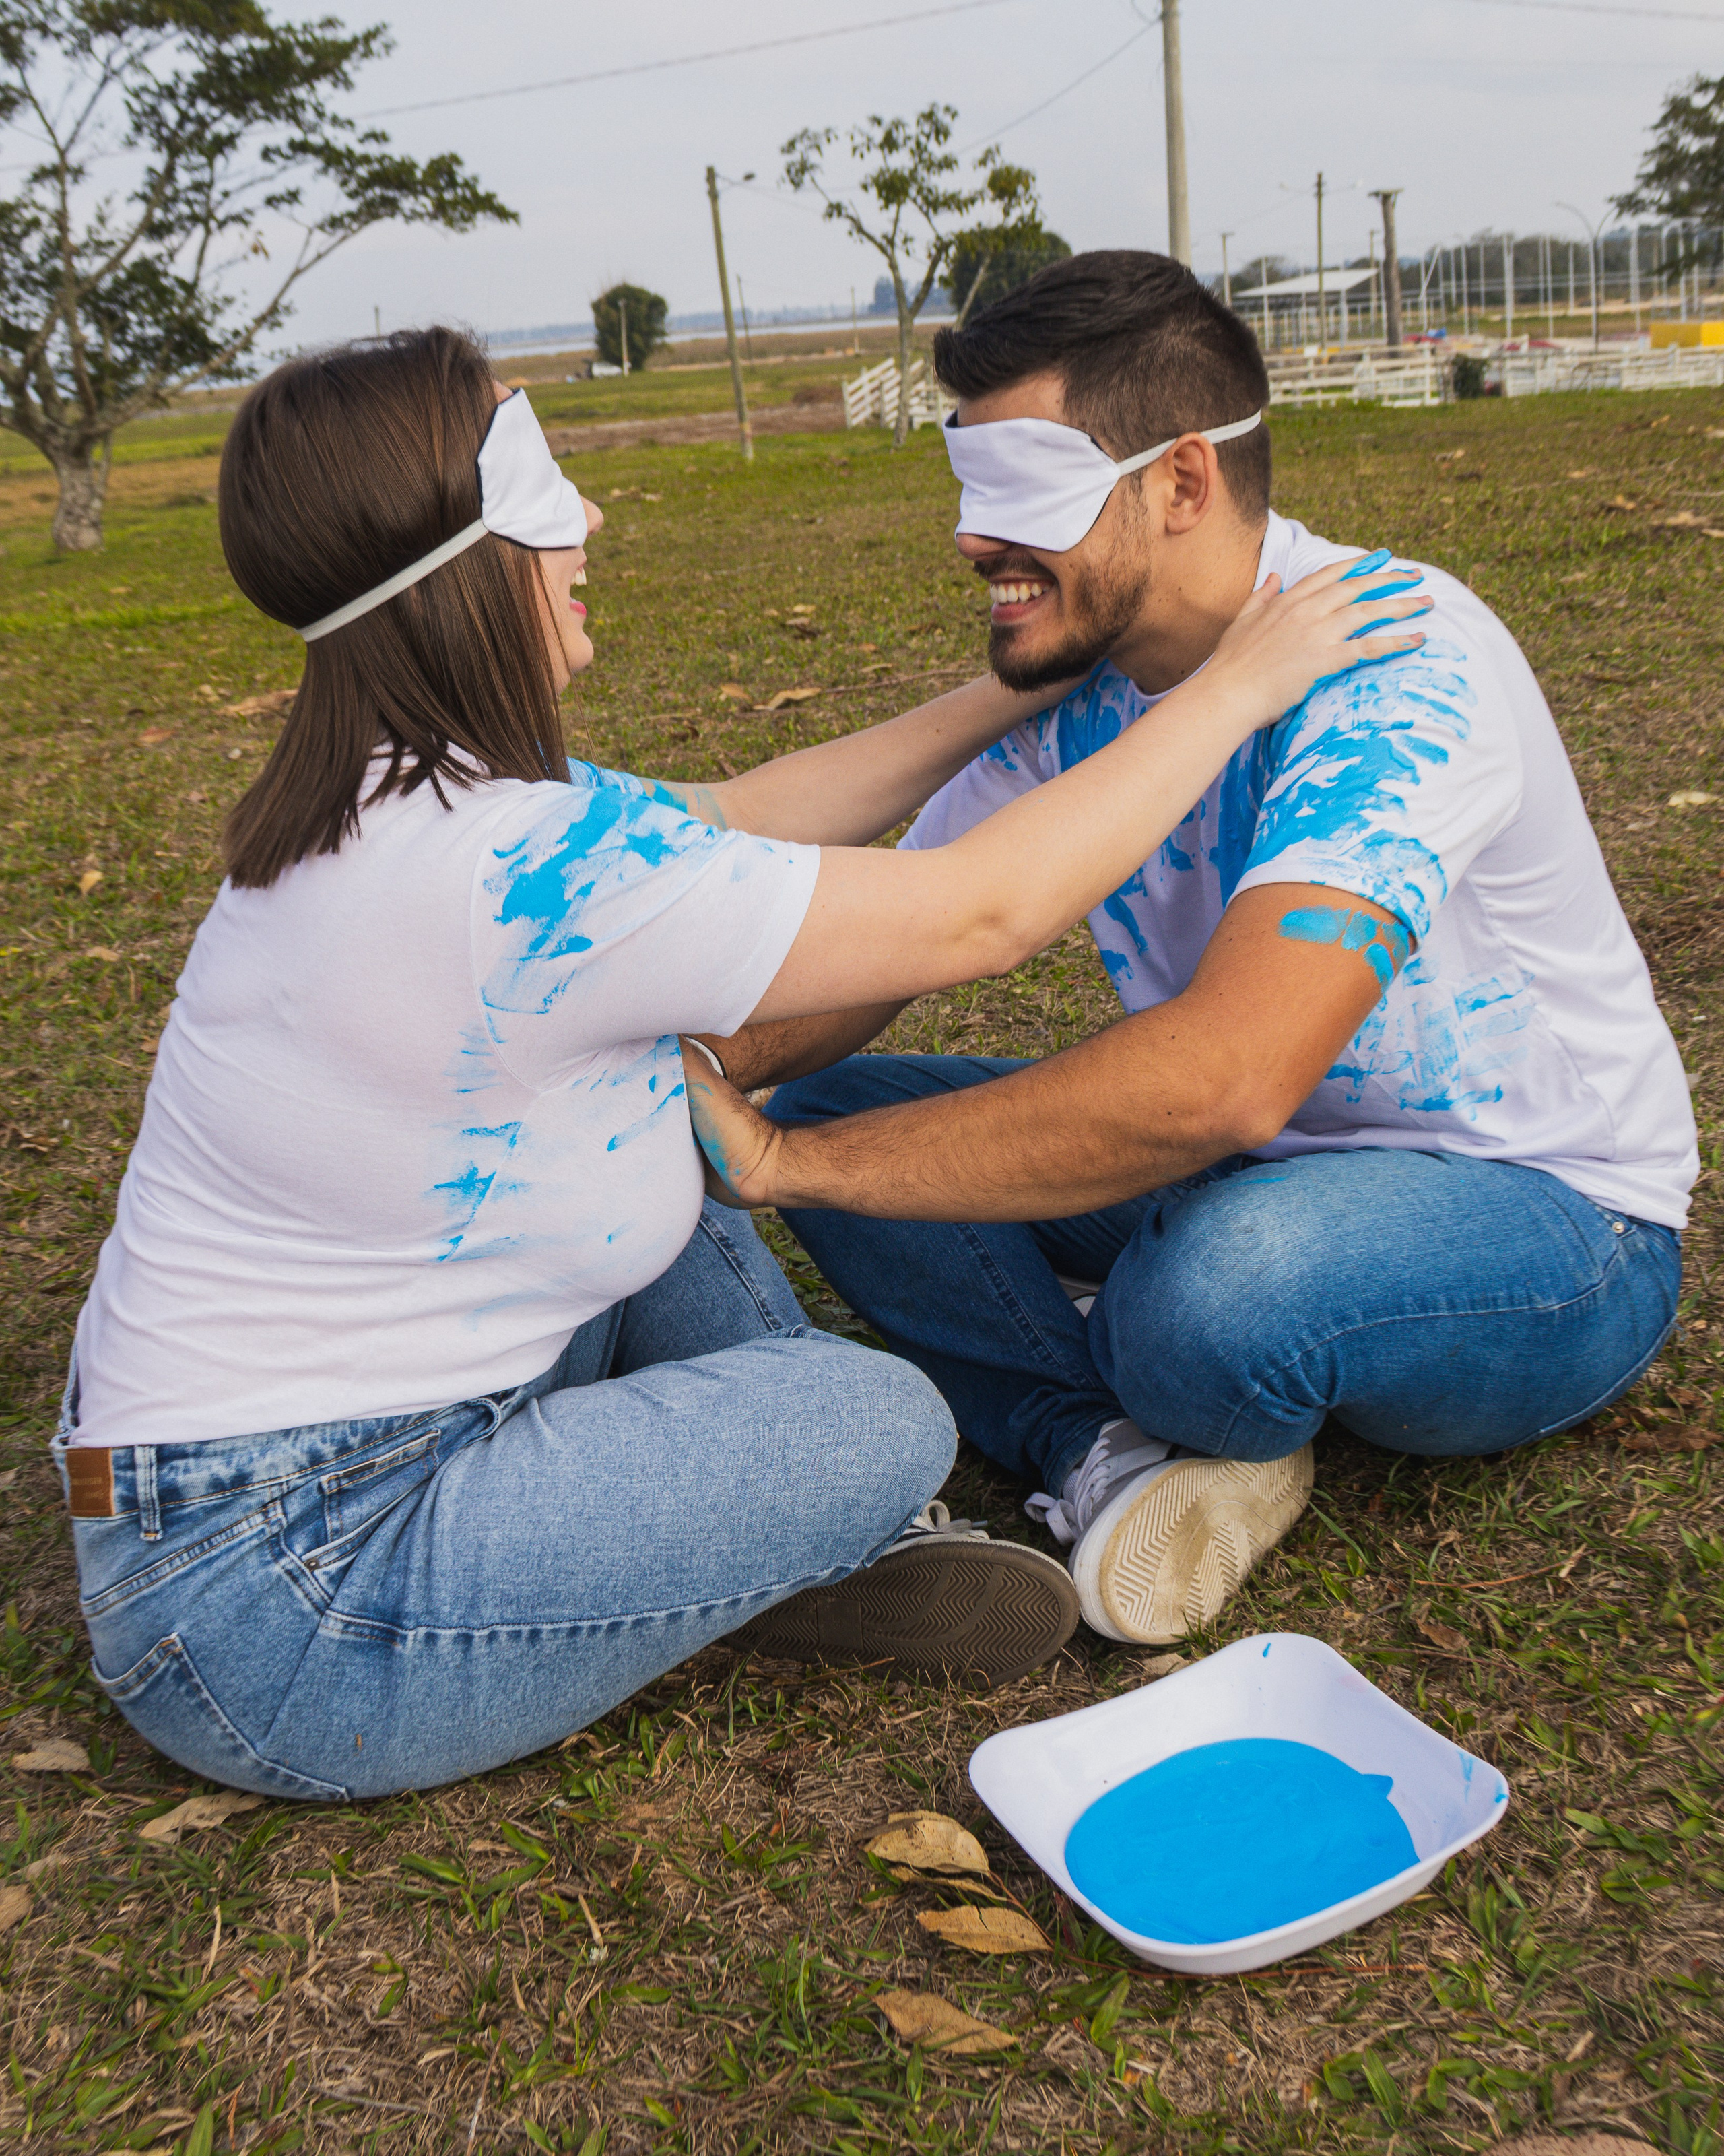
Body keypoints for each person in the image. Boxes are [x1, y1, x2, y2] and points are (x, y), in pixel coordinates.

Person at [52, 326, 1423, 1800]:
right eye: (546, 485)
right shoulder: (521, 870)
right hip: (293, 1598)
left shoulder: (407, 791)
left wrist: (1035, 680)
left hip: (249, 1480)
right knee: (881, 1416)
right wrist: (1230, 685)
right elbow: (983, 909)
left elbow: (745, 807)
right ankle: (790, 1531)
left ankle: (733, 1535)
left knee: (666, 1139)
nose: (591, 518)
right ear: (465, 553)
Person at [682, 250, 1697, 1652]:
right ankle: (1101, 1445)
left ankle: (1145, 1335)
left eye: (1022, 491)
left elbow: (1224, 1078)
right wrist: (686, 1068)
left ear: (1178, 482)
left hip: (1542, 1208)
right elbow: (902, 937)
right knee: (837, 1100)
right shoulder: (1079, 684)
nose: (974, 542)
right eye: (966, 488)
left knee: (1206, 1300)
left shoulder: (1398, 661)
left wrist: (789, 1171)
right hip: (1265, 1168)